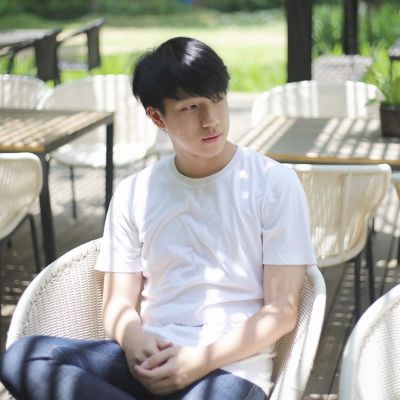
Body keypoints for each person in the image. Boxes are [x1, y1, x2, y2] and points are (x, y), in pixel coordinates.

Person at [0, 36, 316, 400]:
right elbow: (117, 304)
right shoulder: (135, 192)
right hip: (149, 358)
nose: (211, 120)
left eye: (217, 100)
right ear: (156, 117)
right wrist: (135, 341)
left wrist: (197, 361)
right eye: (191, 107)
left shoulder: (273, 183)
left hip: (229, 366)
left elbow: (281, 311)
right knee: (25, 356)